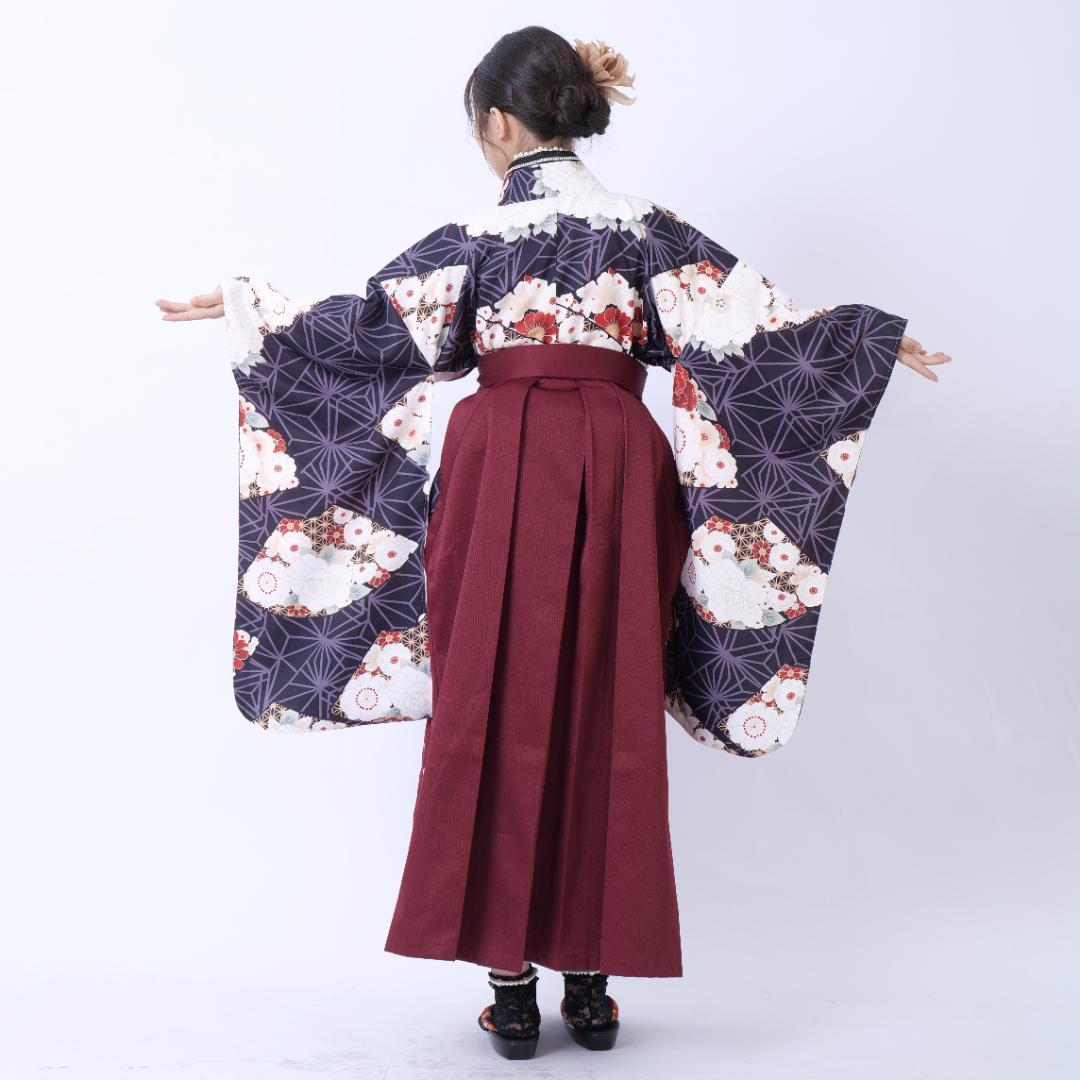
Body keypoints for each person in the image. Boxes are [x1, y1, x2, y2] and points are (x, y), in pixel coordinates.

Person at [157, 26, 950, 1060]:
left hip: (499, 462)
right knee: (606, 697)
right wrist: (864, 343)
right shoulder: (646, 229)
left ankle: (512, 988)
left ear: (497, 121)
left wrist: (251, 310)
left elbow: (366, 333)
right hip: (618, 460)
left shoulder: (473, 238)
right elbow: (754, 337)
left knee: (488, 694)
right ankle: (591, 987)